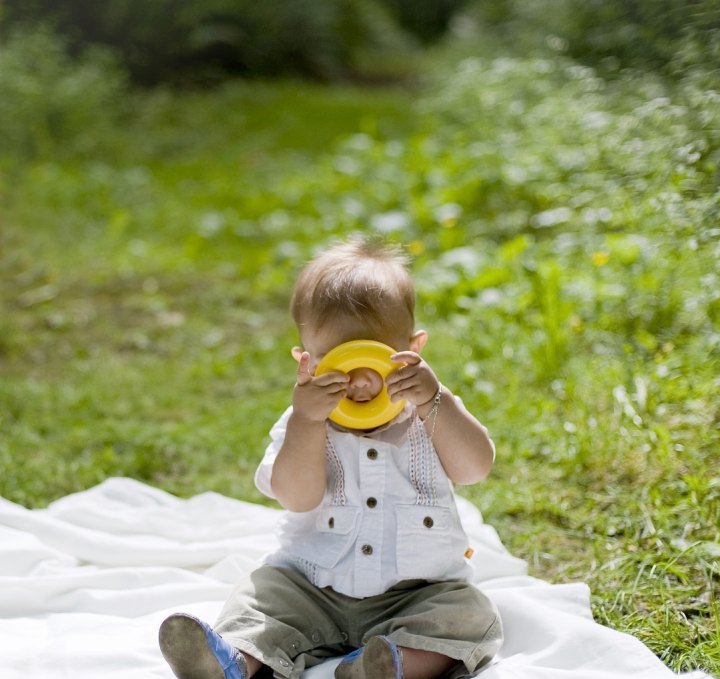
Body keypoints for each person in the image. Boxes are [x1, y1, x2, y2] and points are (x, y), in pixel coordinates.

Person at [159, 237, 503, 679]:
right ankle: (233, 664)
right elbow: (297, 497)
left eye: (373, 360)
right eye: (336, 364)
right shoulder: (301, 422)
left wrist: (437, 400)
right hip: (311, 589)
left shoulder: (429, 412)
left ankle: (387, 668)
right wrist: (307, 422)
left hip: (417, 594)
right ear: (306, 361)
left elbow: (475, 468)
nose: (358, 383)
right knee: (260, 598)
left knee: (468, 615)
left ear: (413, 350)